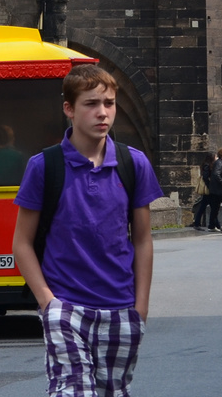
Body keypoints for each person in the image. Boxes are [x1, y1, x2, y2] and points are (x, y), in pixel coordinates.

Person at [12, 64, 162, 397]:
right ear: (69, 109)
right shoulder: (44, 166)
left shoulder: (133, 163)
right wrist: (48, 303)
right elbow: (21, 243)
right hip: (65, 308)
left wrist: (141, 307)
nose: (103, 112)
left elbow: (142, 239)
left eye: (108, 103)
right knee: (72, 392)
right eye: (91, 104)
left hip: (121, 308)